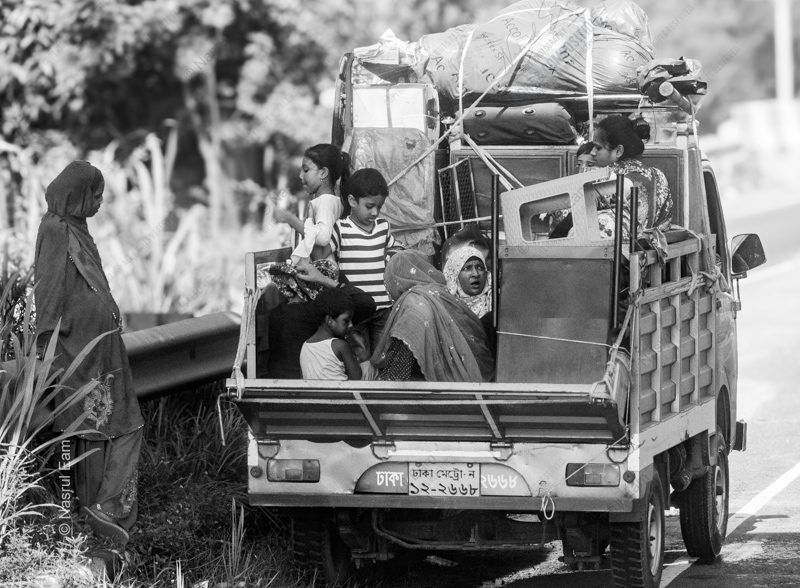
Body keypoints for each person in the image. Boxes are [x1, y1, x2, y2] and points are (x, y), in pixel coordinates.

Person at [34, 161, 142, 545]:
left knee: (118, 424)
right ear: (76, 194)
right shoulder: (54, 229)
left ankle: (101, 513)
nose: (99, 202)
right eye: (94, 195)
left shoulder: (76, 227)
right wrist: (44, 349)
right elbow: (47, 293)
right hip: (75, 347)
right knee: (95, 427)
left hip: (98, 346)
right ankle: (90, 519)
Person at [372, 250, 494, 382]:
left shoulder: (413, 304)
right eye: (467, 268)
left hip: (439, 388)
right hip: (477, 378)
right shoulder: (443, 294)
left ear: (395, 279)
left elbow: (400, 365)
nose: (475, 274)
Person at [330, 168, 396, 347]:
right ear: (352, 200)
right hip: (355, 310)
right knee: (360, 358)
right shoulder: (341, 229)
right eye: (369, 206)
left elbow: (396, 250)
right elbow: (326, 257)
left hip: (383, 308)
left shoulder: (383, 227)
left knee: (383, 356)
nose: (375, 212)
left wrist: (391, 257)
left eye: (379, 207)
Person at [591, 114, 673, 237]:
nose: (592, 152)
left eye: (598, 148)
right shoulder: (658, 176)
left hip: (610, 253)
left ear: (618, 151)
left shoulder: (606, 178)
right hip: (647, 250)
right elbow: (665, 222)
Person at [273, 144, 350, 261]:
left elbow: (323, 237)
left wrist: (290, 219)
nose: (300, 175)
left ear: (323, 173)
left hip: (322, 273)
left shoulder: (325, 201)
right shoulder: (332, 199)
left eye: (306, 170)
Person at [300, 287, 361, 380]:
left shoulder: (305, 346)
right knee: (370, 367)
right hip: (342, 394)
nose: (351, 325)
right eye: (346, 321)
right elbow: (357, 379)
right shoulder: (340, 346)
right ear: (329, 321)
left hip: (313, 394)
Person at [442, 245, 492, 320]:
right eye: (467, 268)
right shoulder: (445, 307)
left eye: (480, 267)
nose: (475, 274)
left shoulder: (495, 304)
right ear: (455, 275)